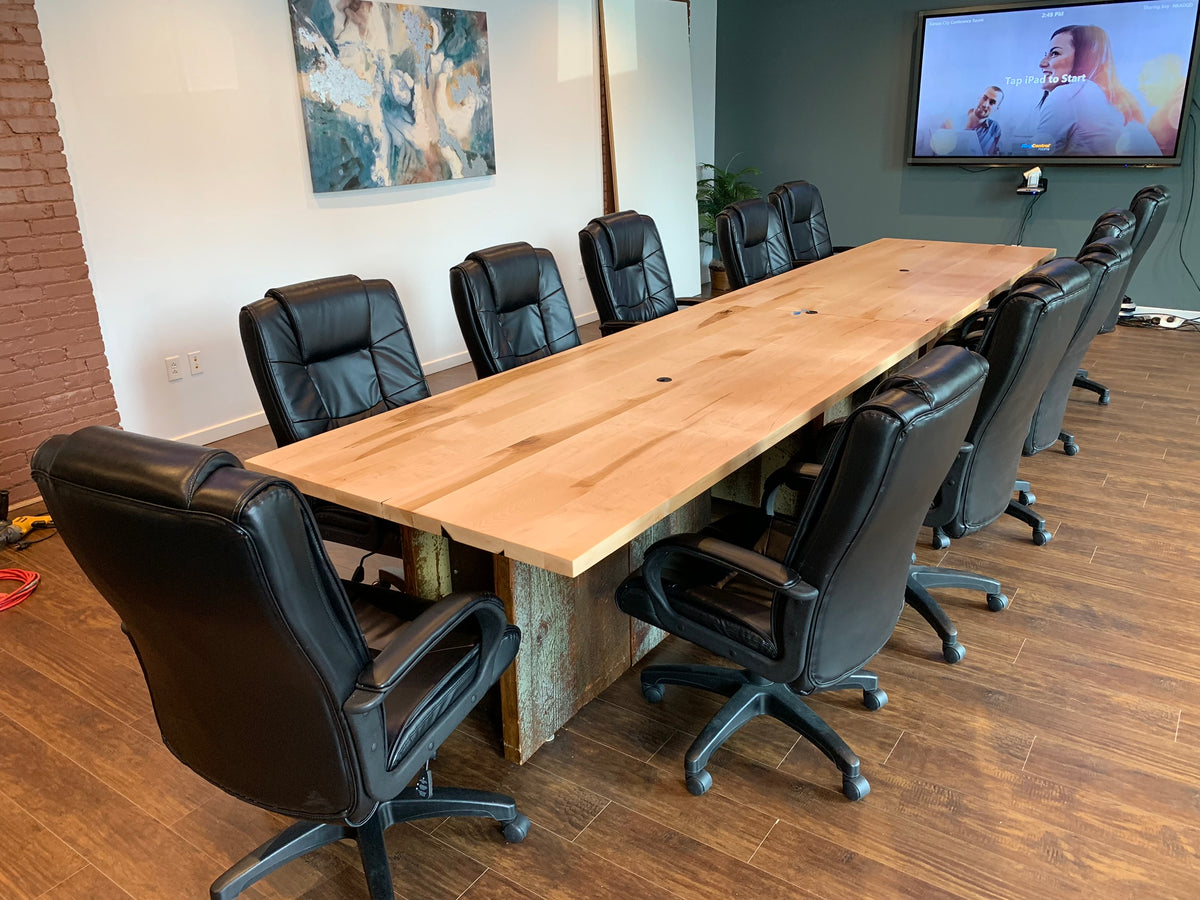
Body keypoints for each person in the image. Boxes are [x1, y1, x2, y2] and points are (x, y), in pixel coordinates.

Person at [1030, 24, 1154, 157]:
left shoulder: (1068, 94)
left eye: (1055, 53)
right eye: (1046, 55)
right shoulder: (1115, 97)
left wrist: (1025, 145)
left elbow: (1038, 152)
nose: (1042, 63)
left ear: (1083, 57)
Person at [939, 86, 1005, 156]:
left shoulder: (994, 128)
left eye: (992, 102)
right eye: (984, 98)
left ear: (997, 108)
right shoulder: (952, 121)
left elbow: (994, 155)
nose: (985, 104)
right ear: (979, 97)